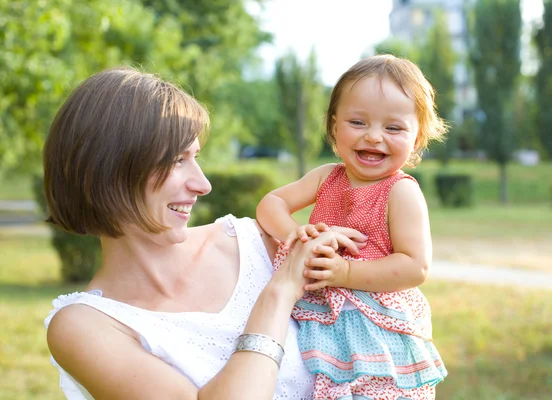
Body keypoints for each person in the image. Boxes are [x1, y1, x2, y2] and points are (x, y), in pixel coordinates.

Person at [42, 66, 364, 399]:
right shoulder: (85, 327)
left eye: (195, 157)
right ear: (108, 169)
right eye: (177, 160)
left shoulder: (259, 245)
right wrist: (279, 292)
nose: (203, 184)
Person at [256, 54, 449, 399]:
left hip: (374, 328)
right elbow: (271, 204)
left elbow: (414, 266)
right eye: (358, 122)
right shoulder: (326, 177)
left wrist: (344, 271)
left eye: (393, 128)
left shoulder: (400, 192)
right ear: (334, 126)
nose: (374, 137)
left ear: (417, 139)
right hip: (319, 314)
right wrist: (296, 235)